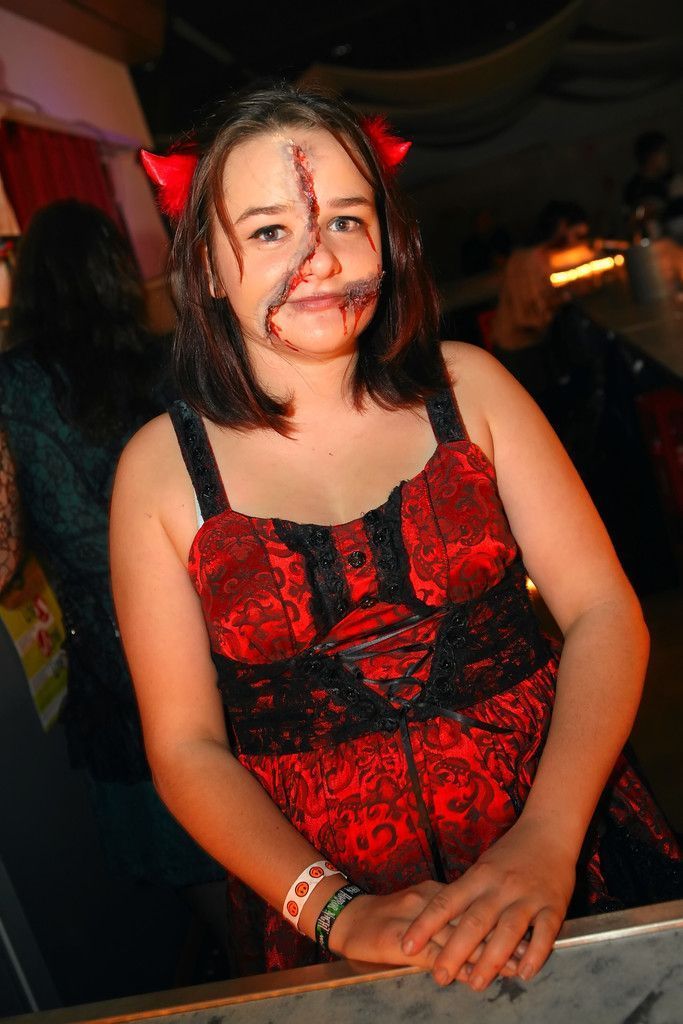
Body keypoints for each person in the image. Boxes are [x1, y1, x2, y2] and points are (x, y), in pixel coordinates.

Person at [111, 88, 682, 990]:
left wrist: (547, 836)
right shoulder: (158, 473)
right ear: (207, 267)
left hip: (566, 845)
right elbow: (185, 748)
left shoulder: (472, 390)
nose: (319, 258)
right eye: (269, 231)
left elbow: (604, 612)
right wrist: (337, 911)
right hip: (327, 902)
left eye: (346, 218)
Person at [0, 201, 224, 898]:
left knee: (191, 855)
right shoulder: (165, 365)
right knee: (252, 818)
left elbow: (12, 551)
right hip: (205, 624)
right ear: (115, 273)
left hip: (111, 654)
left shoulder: (12, 386)